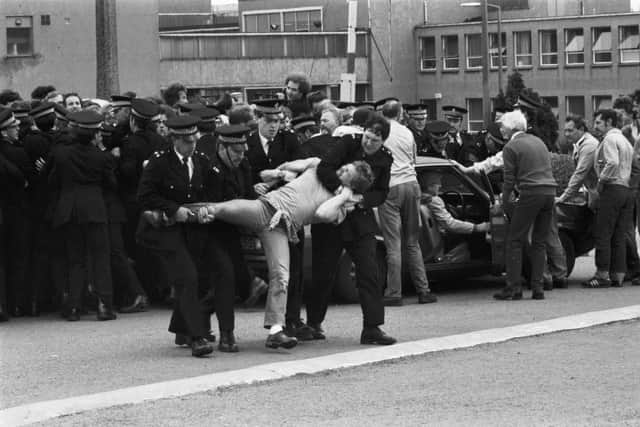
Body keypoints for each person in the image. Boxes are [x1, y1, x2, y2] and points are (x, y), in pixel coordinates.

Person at [175, 157, 373, 349]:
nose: (342, 169)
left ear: (352, 185)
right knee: (219, 210)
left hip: (279, 229)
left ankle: (275, 332)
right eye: (346, 166)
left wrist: (344, 195)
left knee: (281, 275)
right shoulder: (320, 166)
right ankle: (173, 213)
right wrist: (281, 173)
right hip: (264, 207)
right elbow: (289, 165)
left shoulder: (340, 207)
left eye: (348, 172)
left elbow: (322, 214)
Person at [308, 114, 398, 345]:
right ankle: (313, 323)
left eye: (375, 141)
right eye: (367, 137)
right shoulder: (347, 143)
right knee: (323, 272)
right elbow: (324, 168)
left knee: (370, 272)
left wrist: (360, 199)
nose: (369, 144)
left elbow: (381, 193)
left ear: (383, 142)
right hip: (332, 216)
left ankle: (372, 327)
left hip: (359, 219)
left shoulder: (385, 159)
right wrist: (340, 189)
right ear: (363, 132)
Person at [136, 115, 214, 357]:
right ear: (176, 141)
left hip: (192, 229)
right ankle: (196, 336)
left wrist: (205, 210)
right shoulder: (160, 162)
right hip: (165, 229)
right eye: (188, 142)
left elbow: (207, 190)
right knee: (187, 277)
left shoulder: (200, 161)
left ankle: (181, 328)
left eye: (195, 140)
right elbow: (144, 196)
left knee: (196, 278)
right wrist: (172, 208)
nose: (193, 145)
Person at [48, 110, 117, 320]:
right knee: (101, 258)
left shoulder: (61, 154)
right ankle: (104, 305)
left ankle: (74, 307)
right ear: (96, 133)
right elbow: (112, 185)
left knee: (75, 259)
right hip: (95, 208)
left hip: (70, 209)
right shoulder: (103, 157)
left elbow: (52, 182)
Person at [378, 100, 437, 306]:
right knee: (413, 242)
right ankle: (424, 291)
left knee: (393, 243)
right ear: (401, 114)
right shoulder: (407, 133)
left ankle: (394, 293)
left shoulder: (380, 131)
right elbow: (413, 160)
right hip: (411, 185)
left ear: (382, 114)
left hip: (391, 187)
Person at [494, 110, 557, 301]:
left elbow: (509, 180)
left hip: (531, 193)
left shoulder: (511, 147)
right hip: (549, 193)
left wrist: (504, 202)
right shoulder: (539, 142)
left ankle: (513, 288)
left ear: (512, 127)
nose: (501, 130)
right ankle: (538, 288)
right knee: (539, 242)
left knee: (515, 240)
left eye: (503, 126)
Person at [582, 109, 634, 288]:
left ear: (609, 122)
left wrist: (601, 182)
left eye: (598, 122)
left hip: (612, 188)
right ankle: (618, 274)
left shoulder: (610, 139)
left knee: (603, 233)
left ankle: (602, 274)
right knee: (619, 234)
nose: (594, 126)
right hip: (626, 190)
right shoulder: (625, 140)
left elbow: (612, 162)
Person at [421, 172, 490, 235]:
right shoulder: (432, 200)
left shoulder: (420, 197)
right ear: (429, 187)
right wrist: (476, 227)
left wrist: (457, 209)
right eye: (438, 182)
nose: (440, 185)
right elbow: (449, 224)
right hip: (441, 236)